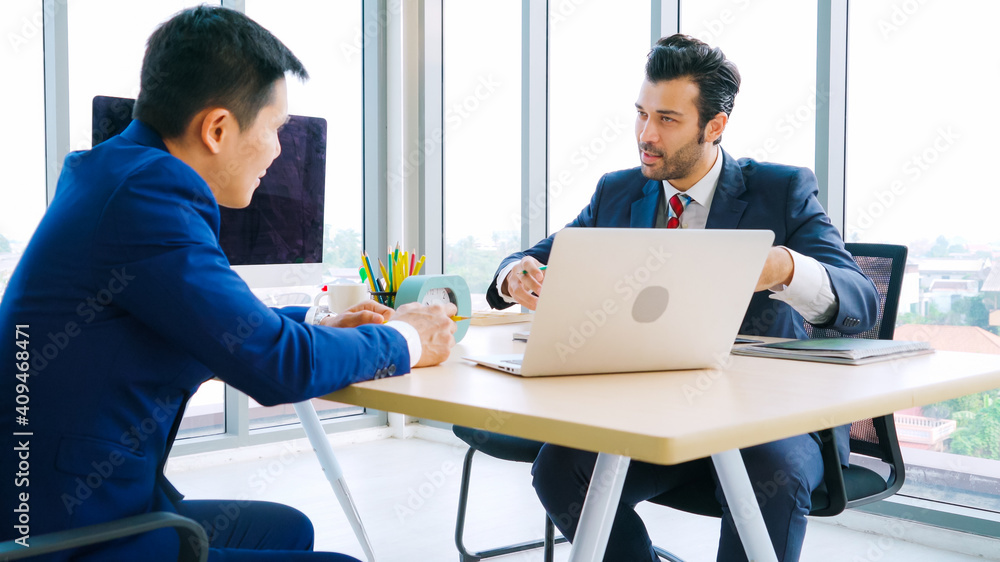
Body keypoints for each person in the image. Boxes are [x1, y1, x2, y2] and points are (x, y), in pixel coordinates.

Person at [0, 6, 456, 561]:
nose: (280, 149)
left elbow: (207, 325)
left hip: (62, 501)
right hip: (65, 535)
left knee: (282, 529)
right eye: (275, 128)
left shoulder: (116, 173)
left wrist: (318, 322)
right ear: (217, 129)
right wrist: (408, 338)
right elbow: (275, 365)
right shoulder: (150, 196)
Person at [485, 34, 880, 562]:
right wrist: (514, 275)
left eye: (667, 119)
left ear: (714, 126)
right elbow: (533, 258)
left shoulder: (780, 191)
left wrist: (785, 267)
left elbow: (860, 302)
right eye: (641, 114)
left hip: (762, 425)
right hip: (652, 419)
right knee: (560, 468)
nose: (646, 134)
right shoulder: (618, 192)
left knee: (774, 475)